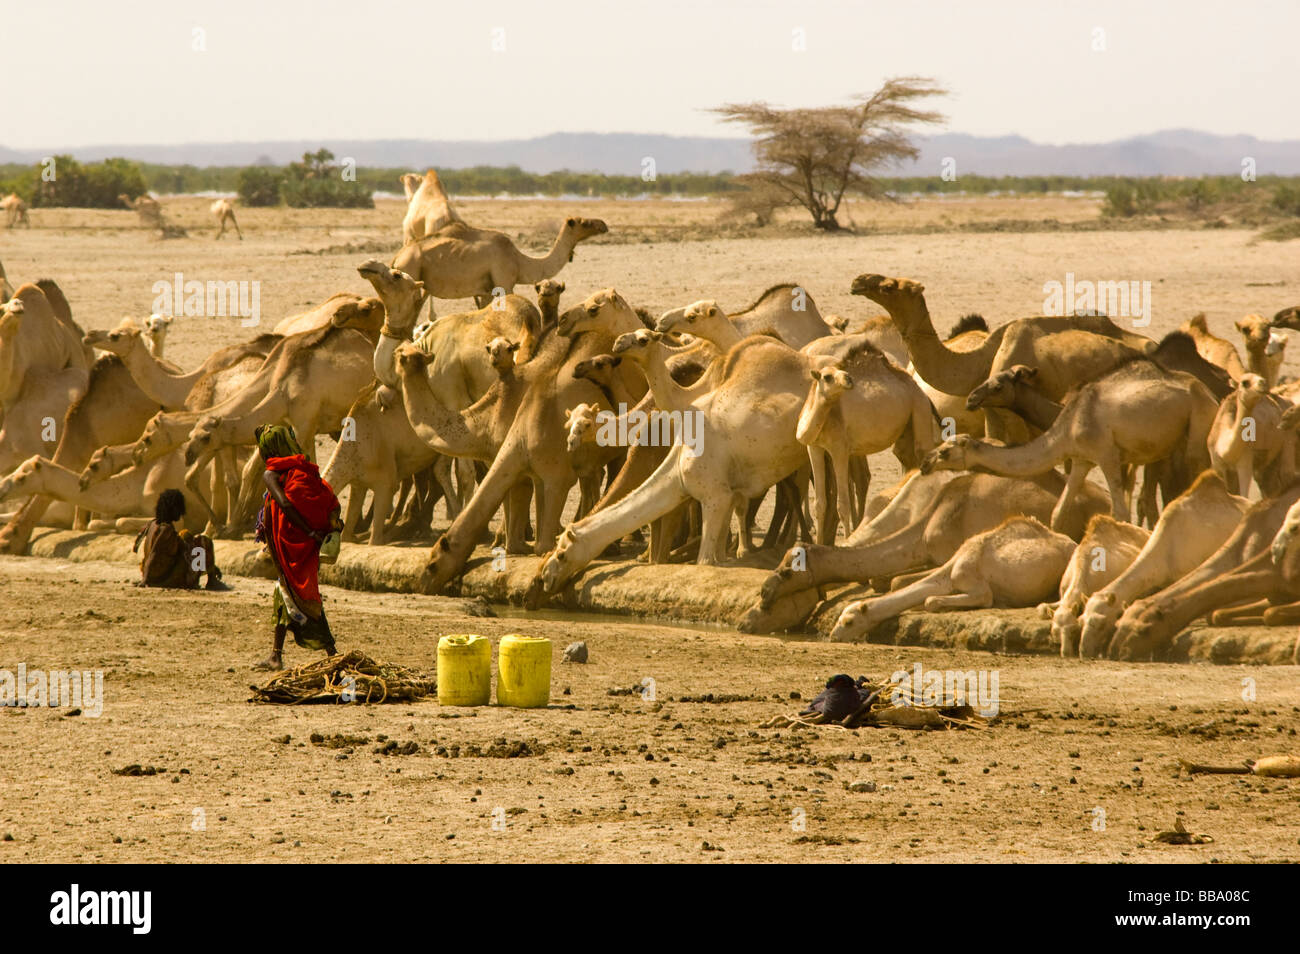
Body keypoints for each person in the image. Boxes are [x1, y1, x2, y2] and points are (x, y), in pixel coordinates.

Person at [252, 424, 343, 671]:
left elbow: (285, 504)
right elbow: (330, 502)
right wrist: (323, 530)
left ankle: (330, 651)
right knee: (287, 595)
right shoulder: (304, 470)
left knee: (302, 596)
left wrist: (307, 530)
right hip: (307, 544)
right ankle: (276, 655)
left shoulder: (272, 474)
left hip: (293, 543)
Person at [133, 489, 226, 590]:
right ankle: (210, 581)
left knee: (187, 539)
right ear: (172, 508)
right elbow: (154, 552)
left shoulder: (152, 524)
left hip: (155, 575)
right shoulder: (166, 529)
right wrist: (145, 580)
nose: (181, 513)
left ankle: (210, 574)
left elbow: (136, 547)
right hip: (163, 578)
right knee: (203, 542)